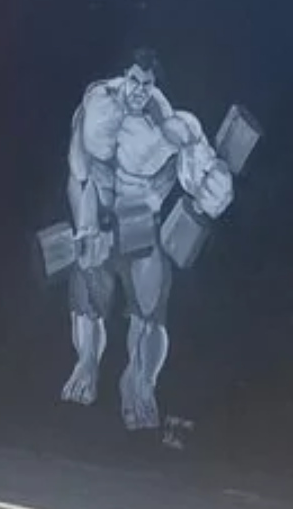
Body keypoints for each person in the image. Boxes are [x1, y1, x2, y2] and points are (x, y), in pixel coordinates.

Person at [61, 48, 235, 430]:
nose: (139, 90)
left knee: (150, 310)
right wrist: (84, 226)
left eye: (147, 84)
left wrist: (214, 185)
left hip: (140, 222)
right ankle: (87, 363)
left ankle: (140, 383)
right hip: (97, 219)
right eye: (134, 80)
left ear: (156, 86)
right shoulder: (95, 104)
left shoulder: (172, 127)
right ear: (124, 76)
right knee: (86, 293)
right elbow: (78, 174)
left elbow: (205, 180)